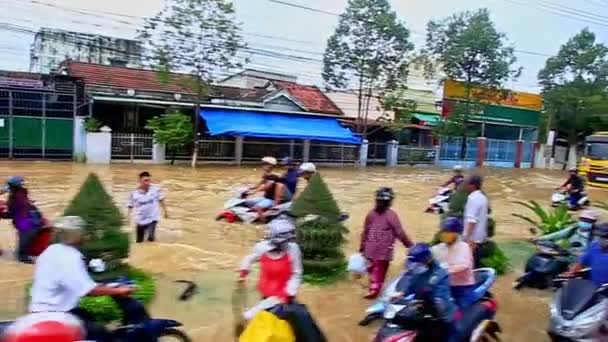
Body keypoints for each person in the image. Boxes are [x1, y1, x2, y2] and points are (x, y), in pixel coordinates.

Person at [29, 216, 134, 341]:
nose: (86, 236)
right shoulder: (70, 257)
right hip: (55, 315)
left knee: (86, 315)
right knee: (101, 334)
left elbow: (71, 279)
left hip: (43, 310)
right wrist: (119, 290)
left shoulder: (52, 250)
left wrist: (107, 285)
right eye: (83, 232)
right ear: (77, 235)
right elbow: (87, 290)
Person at [393, 243, 459, 341]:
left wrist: (429, 302)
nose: (414, 266)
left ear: (428, 260)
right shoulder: (417, 270)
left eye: (418, 263)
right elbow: (412, 283)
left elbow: (440, 298)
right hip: (423, 310)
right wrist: (402, 293)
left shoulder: (440, 274)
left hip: (444, 314)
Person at [360, 187, 414, 299]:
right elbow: (399, 232)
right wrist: (410, 245)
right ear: (389, 202)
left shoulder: (371, 214)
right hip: (383, 251)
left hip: (369, 249)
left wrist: (362, 247)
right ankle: (374, 291)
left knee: (372, 270)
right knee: (379, 272)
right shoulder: (391, 215)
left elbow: (365, 232)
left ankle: (372, 287)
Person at [238, 217, 302, 302]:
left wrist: (290, 293)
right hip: (267, 292)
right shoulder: (262, 247)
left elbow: (296, 273)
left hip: (286, 293)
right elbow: (249, 259)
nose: (279, 245)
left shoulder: (293, 249)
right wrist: (243, 273)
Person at [432, 217, 475, 309]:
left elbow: (464, 265)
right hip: (445, 286)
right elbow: (429, 256)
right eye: (443, 231)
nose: (444, 234)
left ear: (456, 233)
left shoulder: (464, 247)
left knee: (458, 315)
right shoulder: (439, 248)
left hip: (462, 287)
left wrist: (446, 270)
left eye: (448, 232)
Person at [5, 176, 51, 263]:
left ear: (12, 188)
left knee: (21, 255)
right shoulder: (22, 193)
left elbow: (14, 213)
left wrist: (4, 214)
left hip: (27, 225)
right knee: (24, 248)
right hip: (34, 222)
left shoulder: (15, 198)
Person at [563, 223, 608, 287]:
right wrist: (571, 273)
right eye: (601, 237)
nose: (602, 239)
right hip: (593, 288)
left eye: (606, 237)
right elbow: (581, 263)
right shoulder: (594, 246)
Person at [127, 171, 168, 243]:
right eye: (145, 180)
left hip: (153, 218)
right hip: (140, 219)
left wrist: (165, 211)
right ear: (140, 181)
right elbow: (130, 205)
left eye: (149, 180)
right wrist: (128, 217)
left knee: (151, 238)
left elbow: (161, 200)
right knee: (139, 241)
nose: (147, 183)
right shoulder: (134, 193)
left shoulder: (155, 190)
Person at [463, 175, 489, 268]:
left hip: (472, 240)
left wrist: (467, 239)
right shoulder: (483, 197)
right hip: (480, 239)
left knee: (469, 266)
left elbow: (472, 220)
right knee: (475, 265)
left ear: (472, 185)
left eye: (466, 184)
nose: (465, 186)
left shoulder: (472, 198)